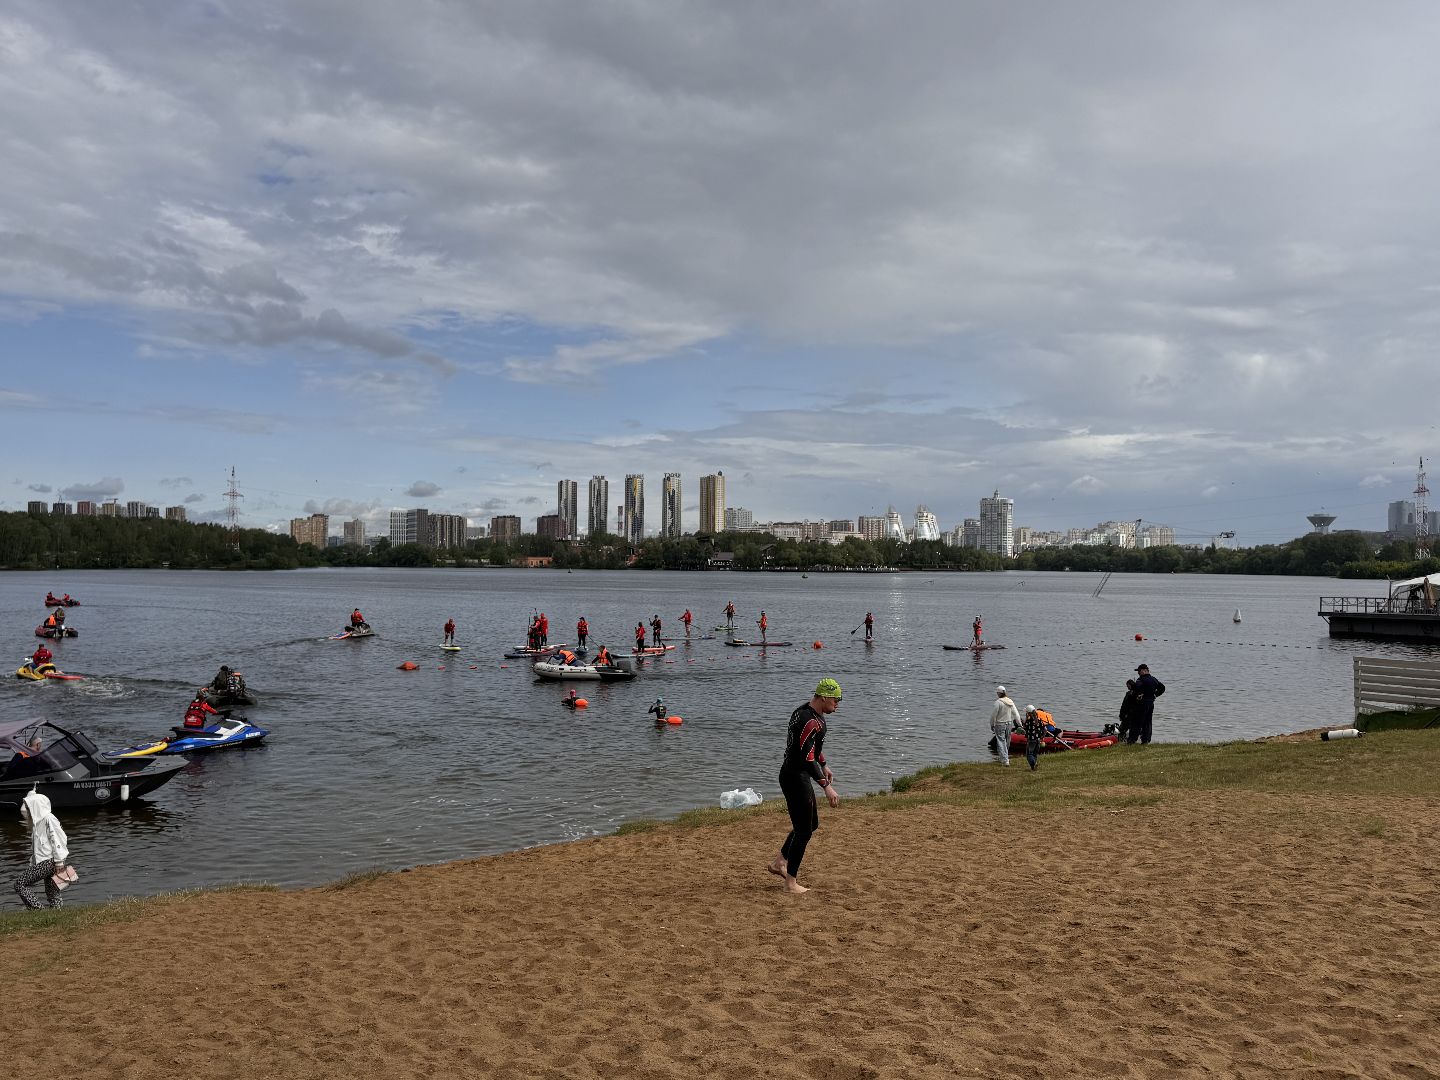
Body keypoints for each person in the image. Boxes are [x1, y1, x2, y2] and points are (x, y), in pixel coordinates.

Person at [768, 678, 843, 894]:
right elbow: (806, 757)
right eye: (836, 700)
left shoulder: (808, 714)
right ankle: (790, 884)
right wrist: (826, 787)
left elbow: (812, 748)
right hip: (794, 776)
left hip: (798, 774)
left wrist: (825, 764)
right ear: (825, 697)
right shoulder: (808, 720)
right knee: (803, 831)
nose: (837, 704)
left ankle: (779, 863)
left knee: (810, 824)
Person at [13, 792, 71, 910]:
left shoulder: (49, 818)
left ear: (36, 806)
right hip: (48, 861)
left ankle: (38, 910)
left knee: (19, 884)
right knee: (52, 892)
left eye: (29, 807)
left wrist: (59, 862)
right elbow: (38, 846)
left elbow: (58, 839)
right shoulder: (37, 822)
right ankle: (57, 913)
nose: (28, 810)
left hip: (50, 861)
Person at [1129, 664, 1166, 745]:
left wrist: (1133, 687)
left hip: (1141, 704)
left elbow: (1137, 688)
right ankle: (1145, 740)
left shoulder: (1141, 680)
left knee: (1136, 722)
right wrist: (1155, 695)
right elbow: (1162, 688)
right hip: (1150, 703)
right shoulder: (1154, 679)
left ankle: (1132, 740)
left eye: (1139, 671)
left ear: (1144, 670)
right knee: (1147, 722)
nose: (1138, 673)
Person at [989, 685, 1020, 766]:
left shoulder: (998, 702)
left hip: (1000, 724)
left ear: (999, 693)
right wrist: (1019, 724)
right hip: (1009, 724)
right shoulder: (1010, 701)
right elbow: (1016, 714)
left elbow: (993, 715)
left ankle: (1005, 760)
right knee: (1007, 740)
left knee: (1001, 741)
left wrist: (992, 724)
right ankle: (1003, 758)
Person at [1022, 706, 1045, 771]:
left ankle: (1034, 763)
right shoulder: (1039, 720)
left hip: (1031, 740)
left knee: (1029, 754)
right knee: (1034, 753)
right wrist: (1042, 737)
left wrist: (1026, 718)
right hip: (1038, 739)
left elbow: (1024, 727)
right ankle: (1033, 767)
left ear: (1028, 713)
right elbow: (1044, 729)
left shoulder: (1029, 721)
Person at [1118, 679, 1139, 743]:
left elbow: (1125, 705)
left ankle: (1122, 740)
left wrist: (1122, 715)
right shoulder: (1137, 693)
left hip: (1128, 715)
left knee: (1122, 729)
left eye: (1127, 686)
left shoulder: (1130, 694)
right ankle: (1131, 740)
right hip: (1133, 714)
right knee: (1132, 729)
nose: (1127, 687)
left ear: (1130, 685)